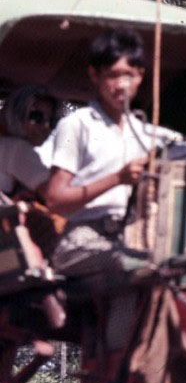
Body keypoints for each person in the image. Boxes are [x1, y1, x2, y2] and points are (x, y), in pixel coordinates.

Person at [43, 26, 176, 279]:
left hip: (136, 236)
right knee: (132, 265)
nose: (121, 85)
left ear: (141, 75)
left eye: (129, 75)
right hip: (83, 237)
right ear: (95, 75)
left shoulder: (152, 134)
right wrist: (118, 179)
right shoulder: (77, 124)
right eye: (112, 75)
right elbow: (55, 199)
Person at [0, 85, 59, 199]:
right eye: (37, 117)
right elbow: (55, 195)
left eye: (52, 121)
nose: (45, 127)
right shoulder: (17, 148)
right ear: (17, 114)